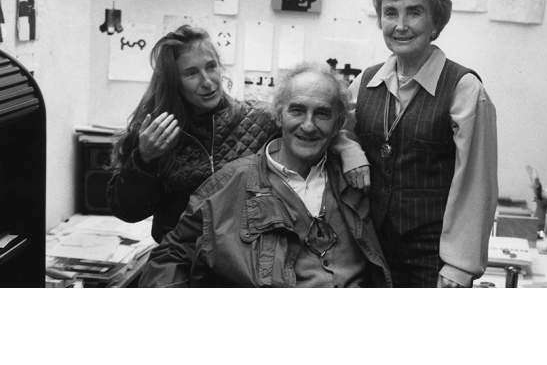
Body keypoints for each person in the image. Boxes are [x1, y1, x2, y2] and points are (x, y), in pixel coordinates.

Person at [108, 25, 370, 243]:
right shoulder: (154, 131)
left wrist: (350, 150)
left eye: (211, 67)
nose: (207, 81)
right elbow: (129, 211)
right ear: (173, 81)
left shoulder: (258, 119)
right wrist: (144, 159)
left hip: (242, 266)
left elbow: (311, 129)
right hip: (180, 265)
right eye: (191, 73)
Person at [139, 63, 391, 287]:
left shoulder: (356, 179)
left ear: (338, 123)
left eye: (322, 113)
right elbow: (171, 256)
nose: (308, 125)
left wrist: (350, 148)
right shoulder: (229, 184)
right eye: (297, 111)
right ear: (278, 115)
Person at [347, 0, 498, 288]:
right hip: (368, 250)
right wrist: (348, 149)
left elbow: (476, 182)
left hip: (433, 259)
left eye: (414, 12)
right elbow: (336, 134)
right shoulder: (363, 82)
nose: (400, 25)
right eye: (390, 13)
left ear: (436, 23)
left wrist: (460, 266)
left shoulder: (464, 88)